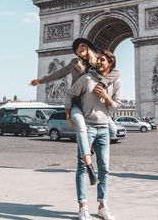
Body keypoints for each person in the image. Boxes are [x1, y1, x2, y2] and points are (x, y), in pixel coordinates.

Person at [29, 38, 119, 186]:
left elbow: (115, 73)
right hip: (77, 102)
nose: (80, 48)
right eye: (77, 47)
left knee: (113, 130)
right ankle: (89, 163)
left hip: (94, 105)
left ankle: (91, 147)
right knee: (82, 128)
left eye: (83, 45)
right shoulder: (73, 63)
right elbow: (58, 74)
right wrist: (39, 81)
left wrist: (103, 85)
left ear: (89, 47)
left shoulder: (98, 62)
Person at [65, 50, 121, 220]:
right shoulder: (87, 79)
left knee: (104, 169)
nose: (98, 62)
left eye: (102, 60)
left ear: (110, 64)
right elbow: (70, 93)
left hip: (104, 128)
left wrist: (106, 97)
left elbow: (116, 106)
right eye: (98, 59)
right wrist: (68, 114)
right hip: (87, 127)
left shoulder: (116, 82)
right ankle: (83, 206)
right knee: (82, 167)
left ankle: (103, 205)